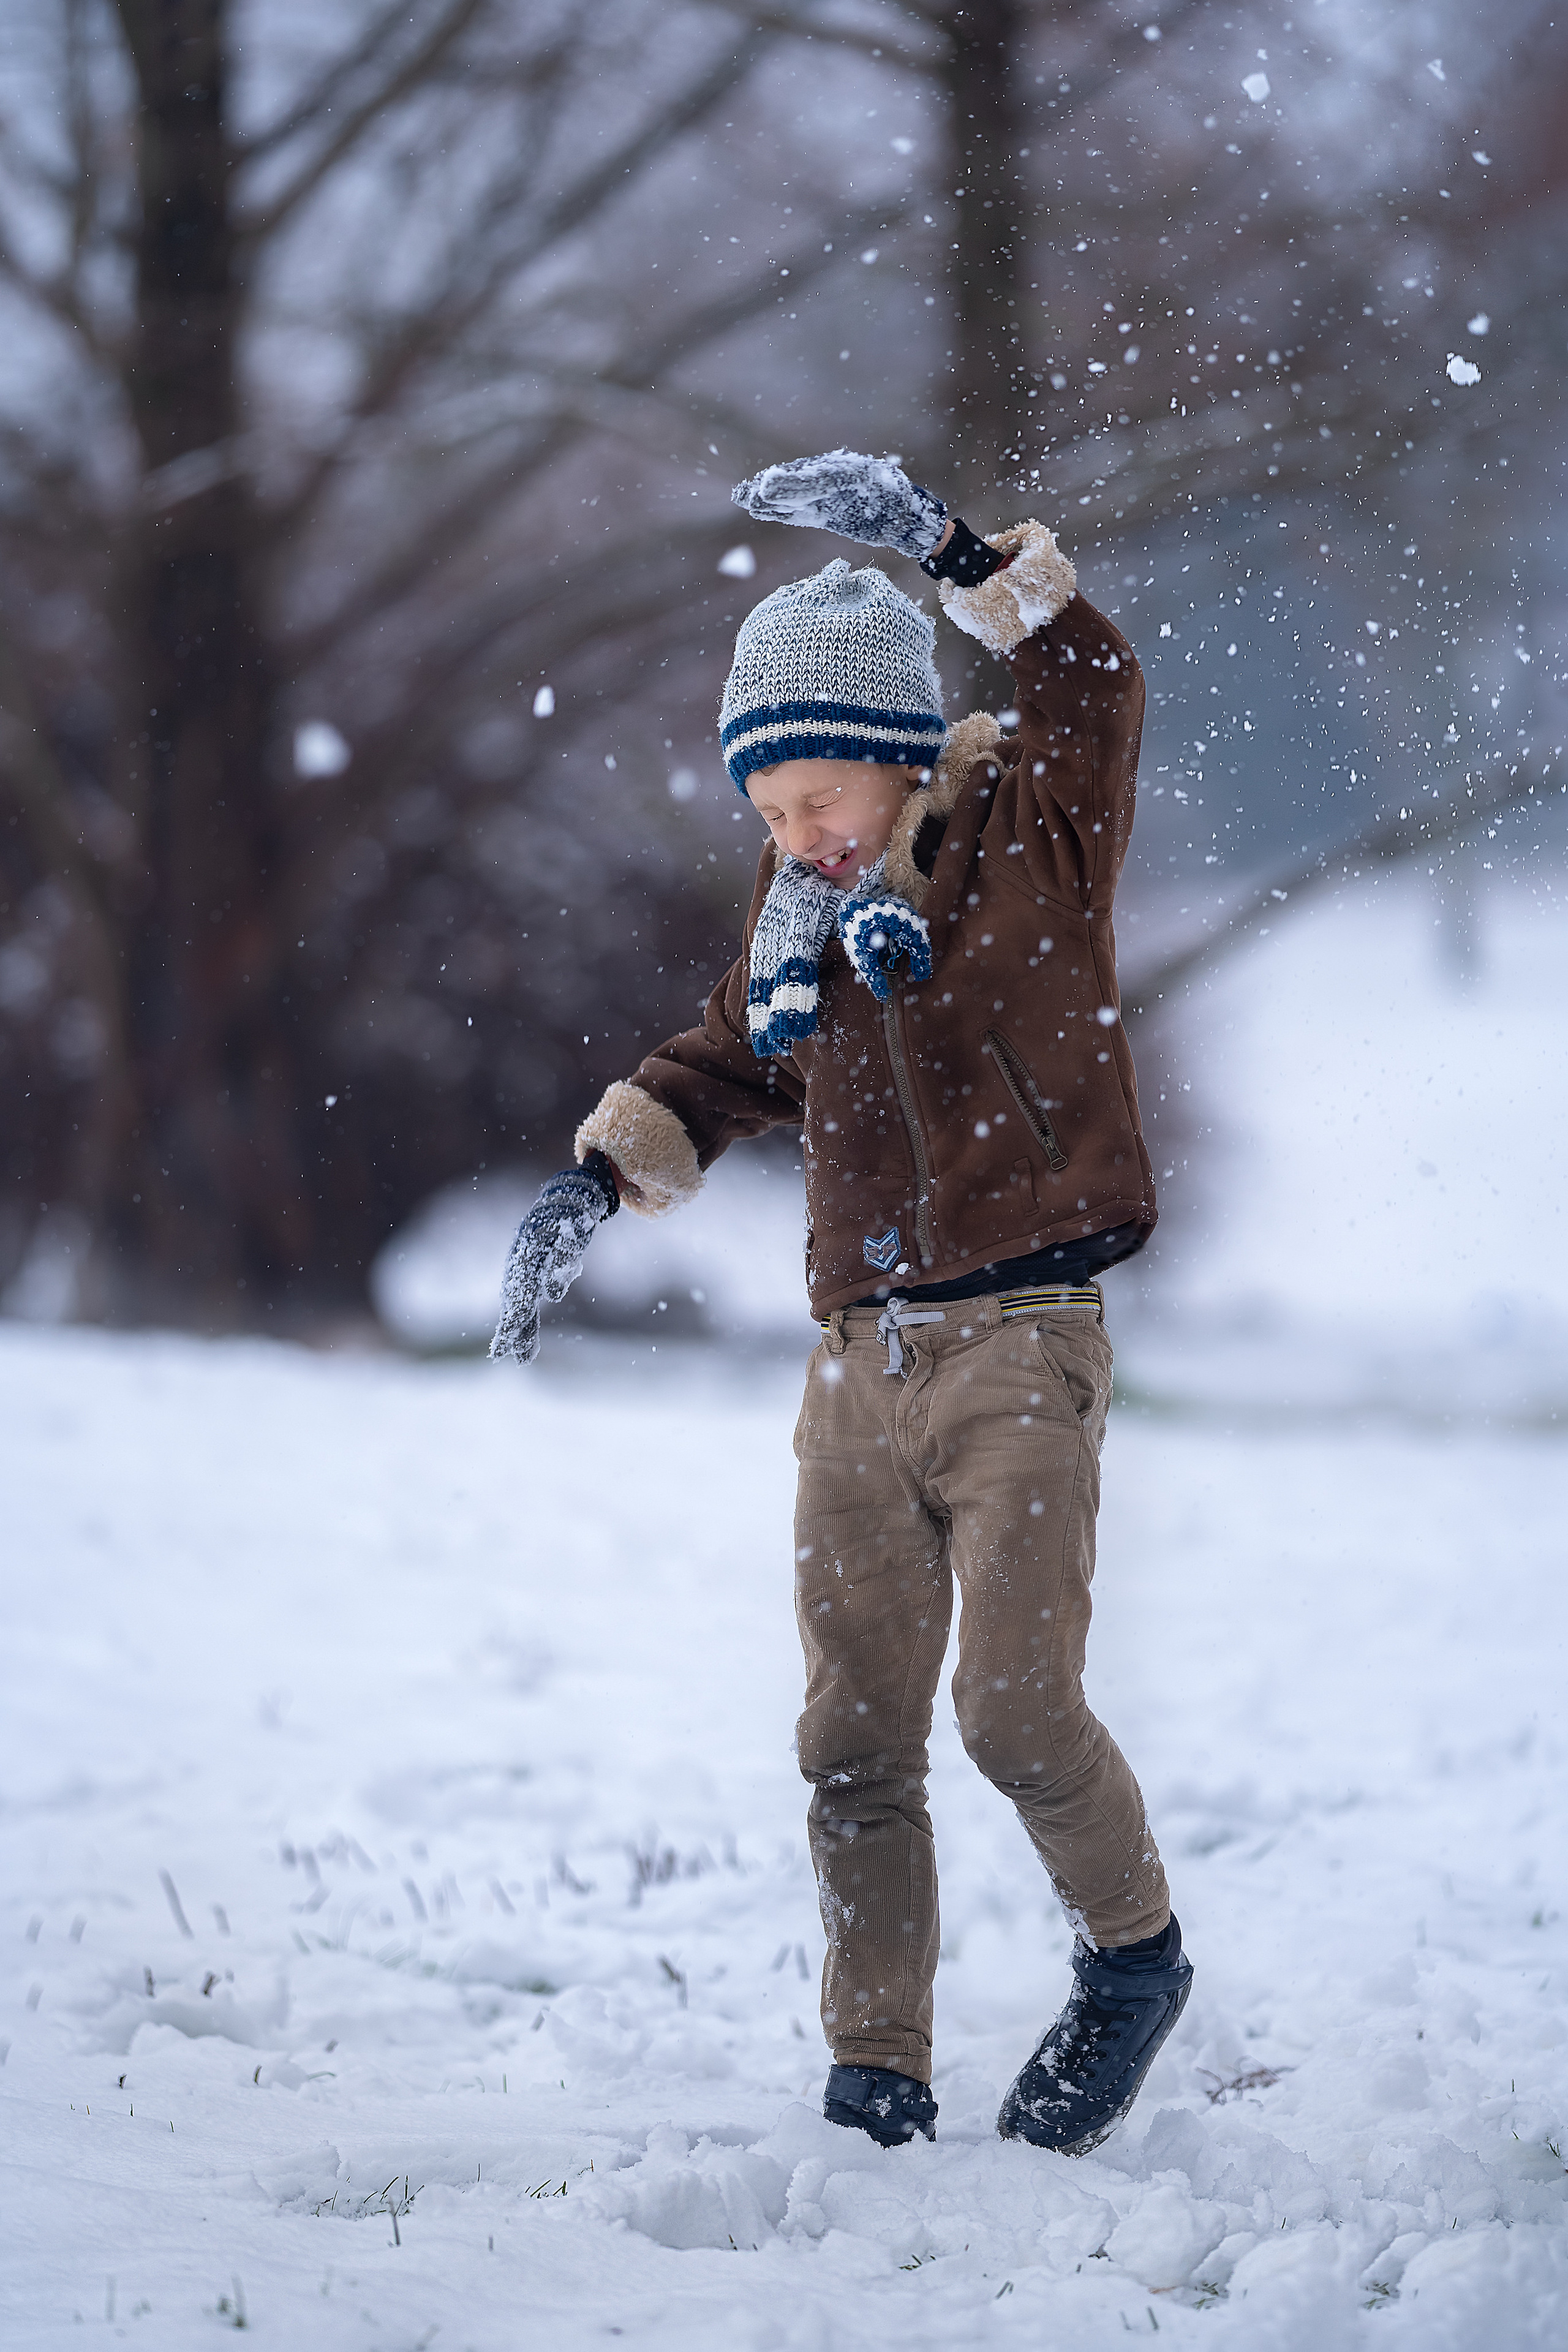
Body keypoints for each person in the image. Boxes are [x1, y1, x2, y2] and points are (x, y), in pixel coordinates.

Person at [491, 450, 1192, 2156]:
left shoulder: (1035, 830)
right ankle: (877, 2068)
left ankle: (1132, 1959)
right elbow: (726, 1054)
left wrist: (962, 556)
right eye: (769, 811)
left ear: (889, 758)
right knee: (852, 1741)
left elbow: (1091, 675)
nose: (795, 836)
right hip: (856, 1372)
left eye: (818, 799)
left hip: (1024, 1342)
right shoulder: (799, 921)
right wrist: (597, 1175)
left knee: (1015, 1711)